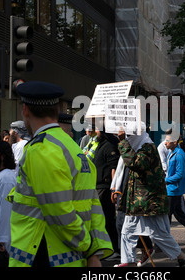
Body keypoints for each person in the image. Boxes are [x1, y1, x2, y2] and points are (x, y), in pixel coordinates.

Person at [8, 81, 113, 267]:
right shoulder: (75, 149)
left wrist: (87, 247)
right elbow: (92, 205)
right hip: (69, 257)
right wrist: (95, 250)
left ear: (25, 110)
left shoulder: (41, 149)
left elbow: (58, 210)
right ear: (57, 110)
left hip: (42, 254)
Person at [115, 124, 185, 267]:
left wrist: (122, 143)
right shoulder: (140, 148)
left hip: (150, 202)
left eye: (130, 136)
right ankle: (127, 261)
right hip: (139, 202)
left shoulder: (148, 148)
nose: (128, 139)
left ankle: (182, 257)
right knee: (127, 231)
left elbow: (135, 163)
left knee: (158, 234)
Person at [91, 128, 120, 259]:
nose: (95, 132)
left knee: (108, 219)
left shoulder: (109, 147)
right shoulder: (99, 145)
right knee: (102, 219)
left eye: (97, 130)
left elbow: (113, 168)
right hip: (98, 186)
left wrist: (113, 189)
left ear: (103, 132)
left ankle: (114, 249)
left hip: (105, 187)